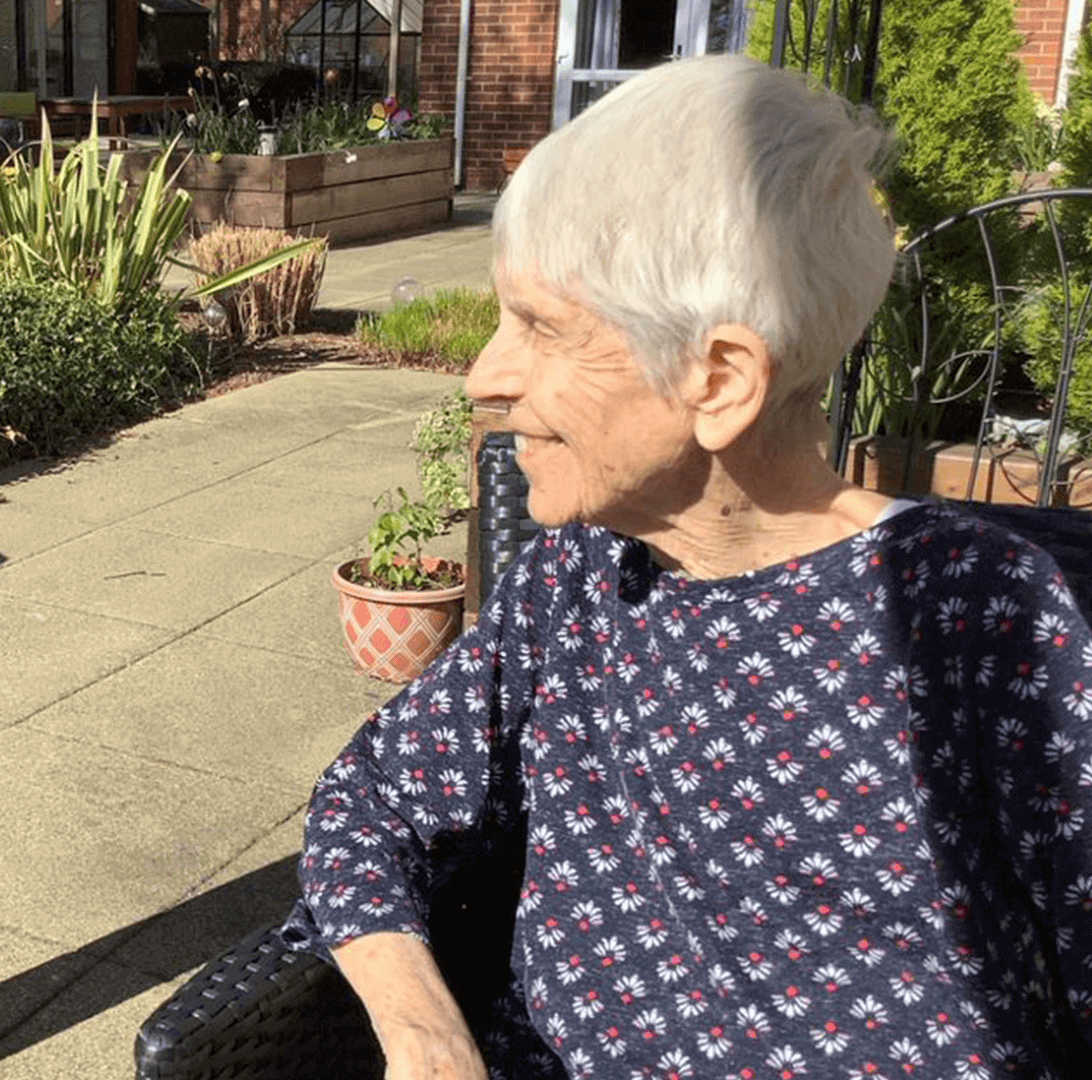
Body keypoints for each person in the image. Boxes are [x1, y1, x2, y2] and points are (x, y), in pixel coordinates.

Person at [283, 55, 1092, 1080]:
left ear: (717, 380)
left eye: (540, 328)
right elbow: (369, 801)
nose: (485, 376)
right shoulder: (574, 580)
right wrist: (424, 1034)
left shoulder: (983, 622)